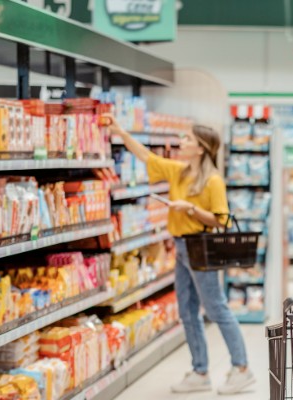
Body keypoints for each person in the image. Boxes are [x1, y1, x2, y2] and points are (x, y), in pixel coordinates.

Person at [101, 115, 255, 395]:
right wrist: (120, 132)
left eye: (187, 139)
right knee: (186, 310)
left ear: (200, 148)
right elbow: (146, 157)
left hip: (201, 246)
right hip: (182, 246)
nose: (181, 142)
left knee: (216, 307)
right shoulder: (179, 171)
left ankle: (242, 368)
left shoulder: (212, 181)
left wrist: (191, 210)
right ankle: (200, 370)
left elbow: (222, 220)